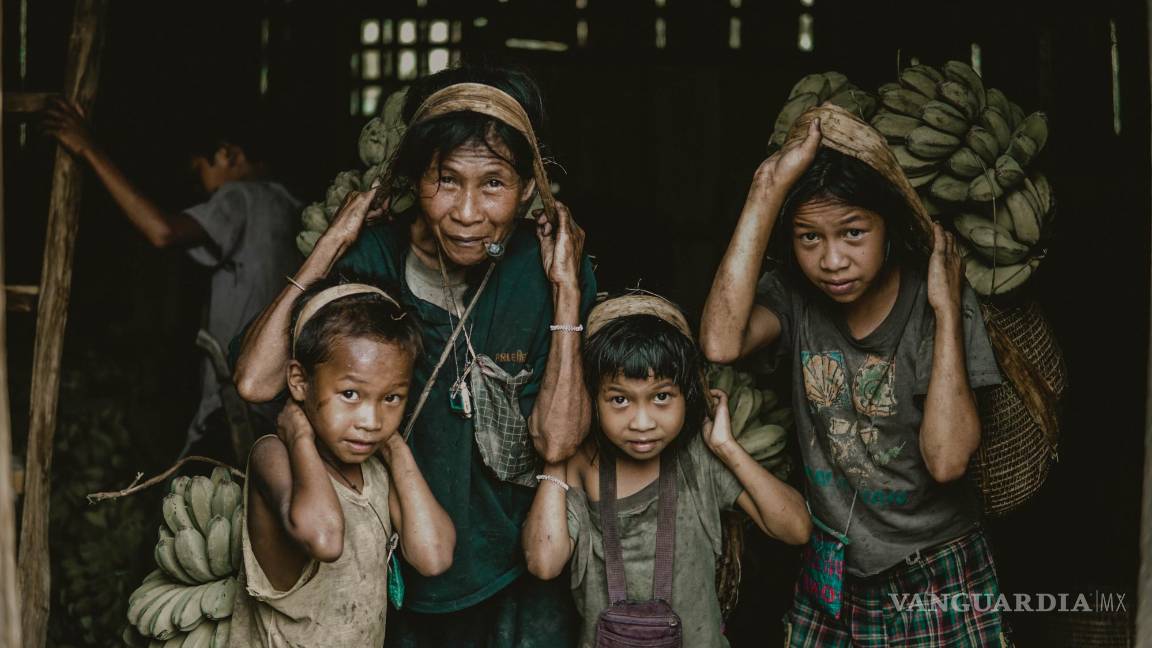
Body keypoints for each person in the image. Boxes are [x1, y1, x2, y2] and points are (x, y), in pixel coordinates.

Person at [233, 66, 597, 646]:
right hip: (392, 571)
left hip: (515, 569)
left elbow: (556, 443)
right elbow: (255, 381)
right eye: (446, 181)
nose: (468, 211)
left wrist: (569, 292)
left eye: (494, 185)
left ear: (529, 189)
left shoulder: (545, 272)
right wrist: (333, 240)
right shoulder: (373, 258)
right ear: (415, 177)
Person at [699, 106, 1010, 647]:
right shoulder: (794, 298)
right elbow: (720, 342)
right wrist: (765, 191)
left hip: (937, 570)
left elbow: (947, 459)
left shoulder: (934, 302)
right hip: (834, 569)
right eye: (809, 237)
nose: (833, 260)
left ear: (887, 226)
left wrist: (944, 309)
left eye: (852, 232)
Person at [522, 293, 810, 648]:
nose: (642, 423)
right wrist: (558, 452)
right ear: (591, 401)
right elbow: (543, 563)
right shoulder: (582, 466)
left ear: (687, 395)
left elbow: (796, 530)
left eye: (661, 397)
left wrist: (727, 447)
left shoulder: (699, 460)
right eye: (619, 399)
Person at [41, 101, 302, 460]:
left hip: (238, 409)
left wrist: (89, 148)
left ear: (228, 154)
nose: (204, 190)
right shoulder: (290, 206)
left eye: (200, 171)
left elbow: (161, 231)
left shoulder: (240, 196)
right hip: (278, 408)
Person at [229, 277, 454, 646]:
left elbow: (433, 557)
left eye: (392, 398)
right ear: (300, 381)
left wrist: (395, 448)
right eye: (350, 394)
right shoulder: (273, 455)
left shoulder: (378, 470)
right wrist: (299, 436)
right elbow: (325, 538)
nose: (370, 420)